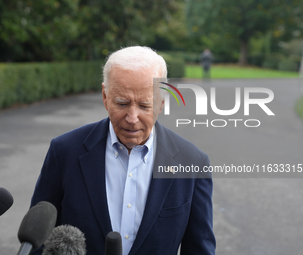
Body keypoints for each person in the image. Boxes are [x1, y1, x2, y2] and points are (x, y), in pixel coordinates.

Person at [30, 46, 215, 255]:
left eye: (145, 105)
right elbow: (37, 241)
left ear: (161, 103)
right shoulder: (64, 152)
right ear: (105, 96)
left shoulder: (192, 162)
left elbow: (200, 249)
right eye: (122, 103)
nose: (132, 117)